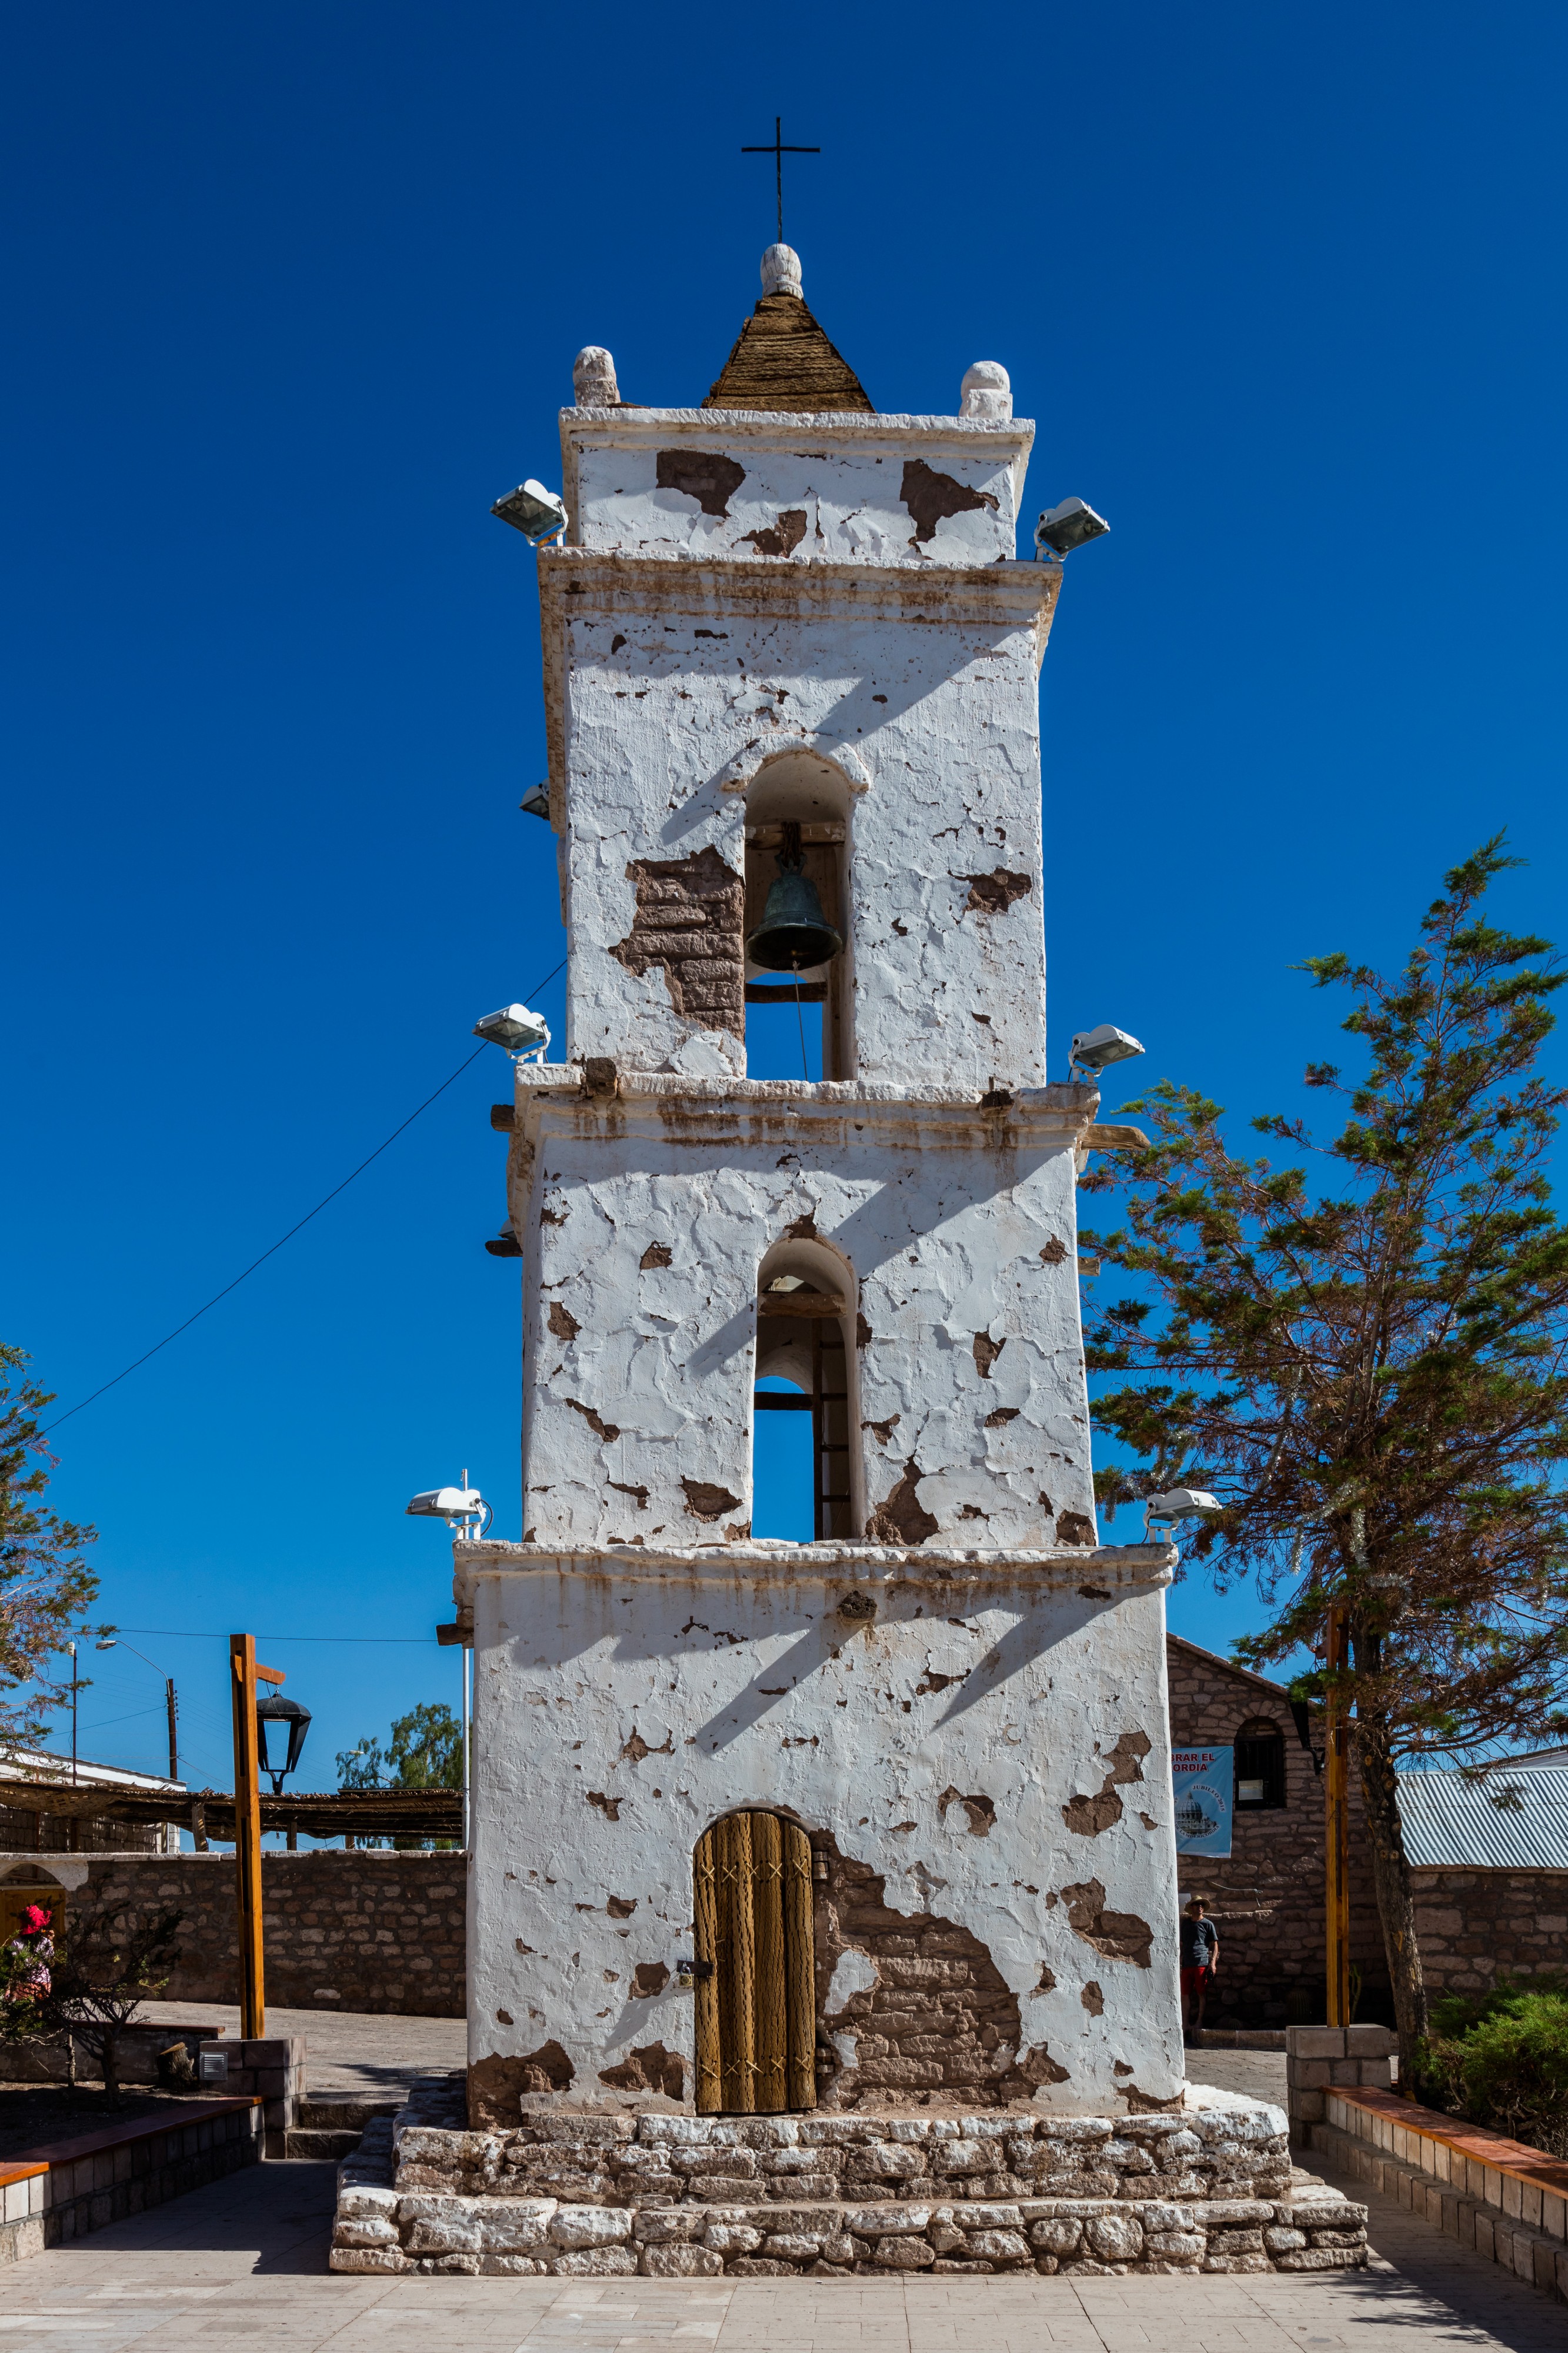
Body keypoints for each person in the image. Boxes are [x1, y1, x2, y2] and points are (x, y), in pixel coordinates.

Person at [1179, 1896, 1218, 2040]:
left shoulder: (1208, 1924)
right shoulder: (1186, 1924)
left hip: (1201, 1962)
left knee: (1201, 1993)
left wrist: (1212, 1963)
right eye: (1197, 1904)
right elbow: (1182, 1945)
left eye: (1201, 1904)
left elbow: (1214, 1945)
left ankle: (1199, 2021)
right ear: (1192, 1908)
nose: (1200, 1906)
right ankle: (1185, 2023)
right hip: (1187, 1963)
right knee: (1185, 1994)